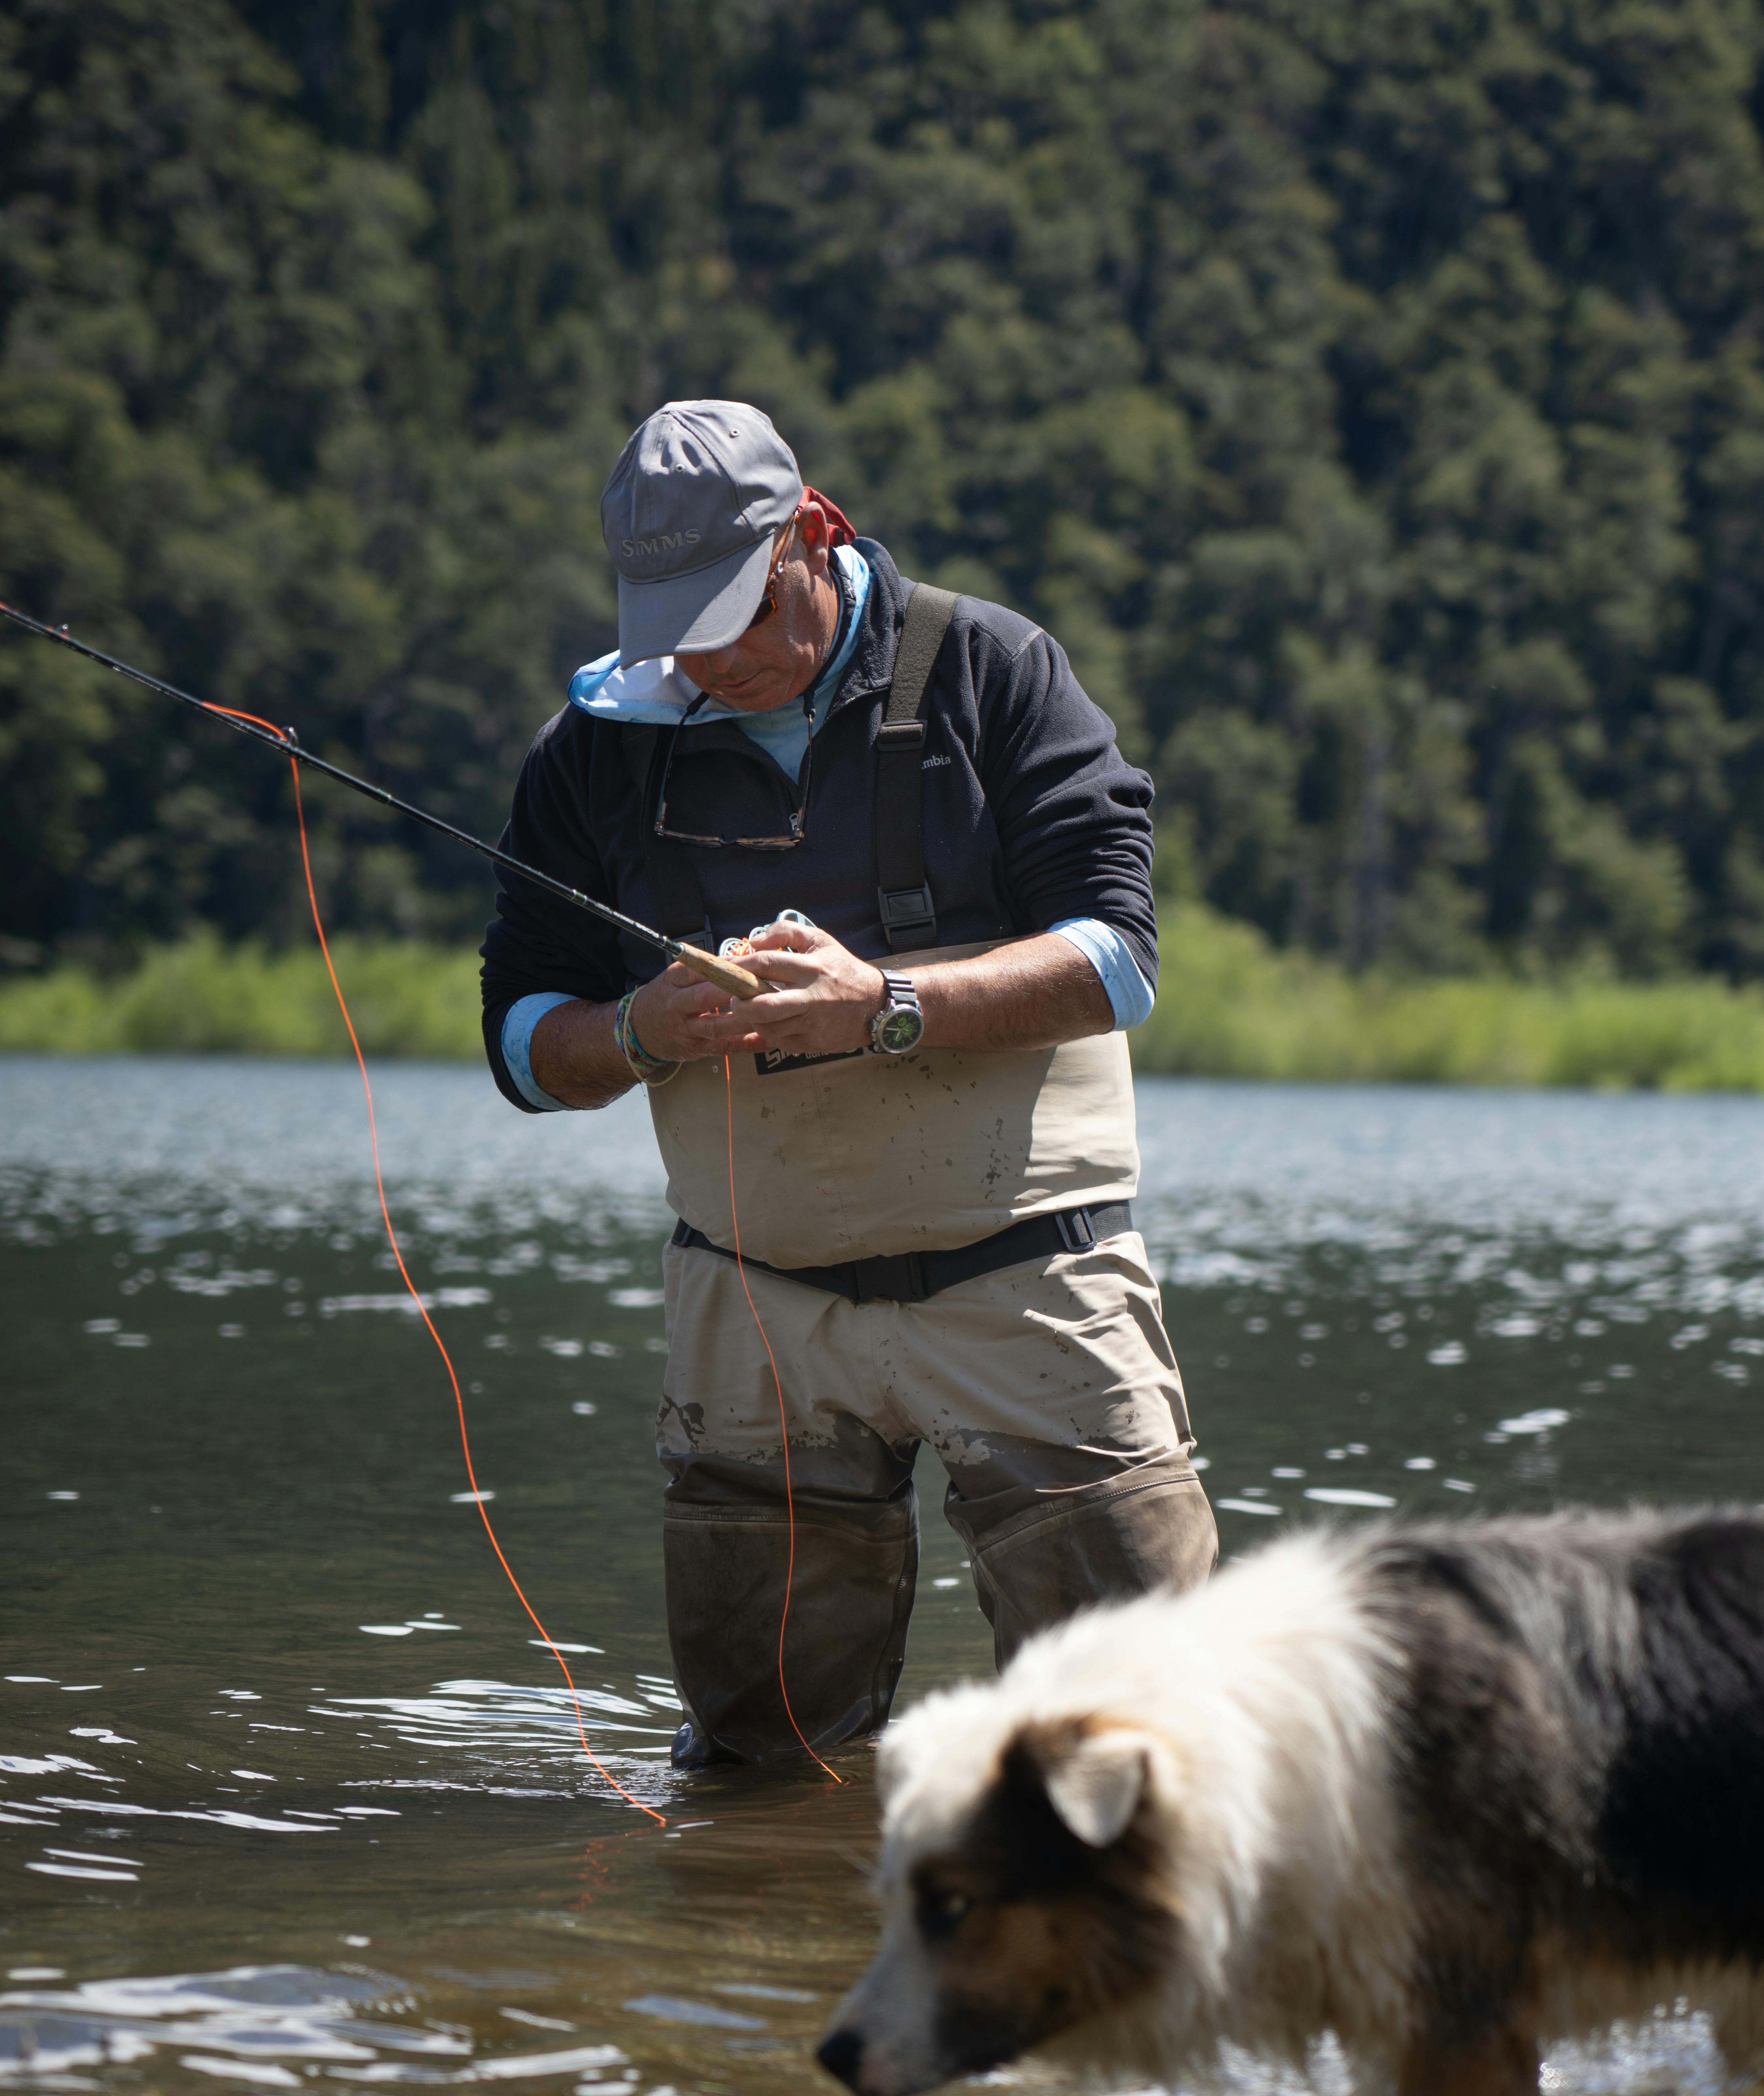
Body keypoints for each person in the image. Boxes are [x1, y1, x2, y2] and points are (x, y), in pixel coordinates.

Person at [480, 399, 1216, 1767]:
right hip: (755, 1310)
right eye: (677, 628)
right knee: (758, 1767)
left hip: (1029, 1290)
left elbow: (1120, 960)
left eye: (737, 616)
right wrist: (640, 1031)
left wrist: (886, 1006)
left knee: (1132, 1747)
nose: (708, 659)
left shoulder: (995, 668)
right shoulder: (591, 748)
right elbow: (519, 1040)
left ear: (813, 530)